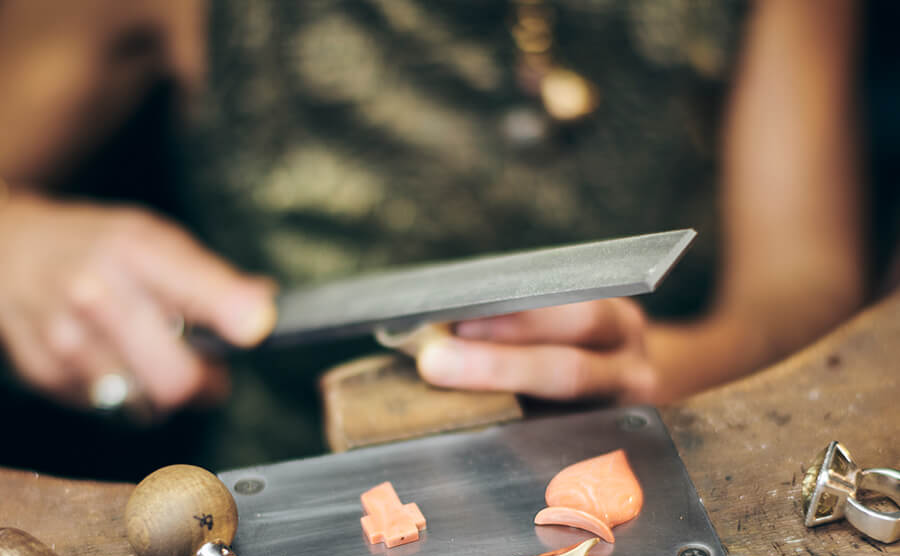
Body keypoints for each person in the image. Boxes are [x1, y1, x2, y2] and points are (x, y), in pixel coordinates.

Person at [0, 0, 882, 478]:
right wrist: (21, 245)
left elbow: (806, 284)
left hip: (661, 487)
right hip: (279, 521)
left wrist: (659, 372)